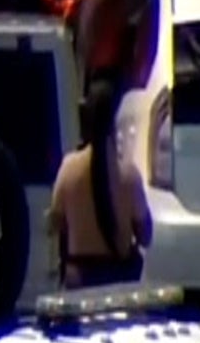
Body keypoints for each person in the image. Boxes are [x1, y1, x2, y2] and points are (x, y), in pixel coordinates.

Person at [47, 78, 153, 287]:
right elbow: (145, 236)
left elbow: (53, 225)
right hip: (119, 282)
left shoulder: (69, 168)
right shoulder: (128, 175)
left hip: (78, 281)